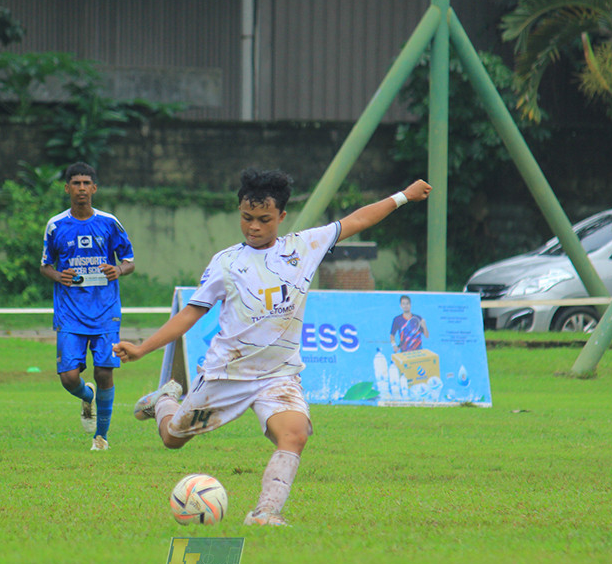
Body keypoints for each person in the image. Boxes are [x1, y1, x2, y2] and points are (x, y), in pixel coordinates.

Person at [113, 168, 431, 525]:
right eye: (246, 218)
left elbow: (357, 219)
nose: (254, 227)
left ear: (281, 216)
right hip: (227, 374)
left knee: (294, 434)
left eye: (264, 219)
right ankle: (164, 401)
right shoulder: (227, 263)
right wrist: (142, 348)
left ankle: (265, 512)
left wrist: (403, 195)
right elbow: (190, 314)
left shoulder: (303, 247)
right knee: (172, 439)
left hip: (278, 375)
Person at [40, 162, 135, 451]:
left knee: (105, 371)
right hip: (70, 312)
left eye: (86, 183)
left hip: (105, 310)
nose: (81, 188)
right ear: (67, 188)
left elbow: (129, 260)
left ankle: (101, 438)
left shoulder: (108, 223)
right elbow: (46, 265)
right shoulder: (56, 225)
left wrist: (118, 270)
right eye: (76, 183)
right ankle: (86, 395)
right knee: (69, 378)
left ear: (94, 188)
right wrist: (59, 275)